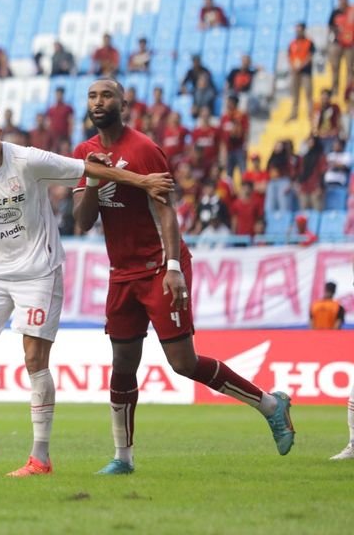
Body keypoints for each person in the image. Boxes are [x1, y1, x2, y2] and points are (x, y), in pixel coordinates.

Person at [0, 103, 171, 477]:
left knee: (35, 359)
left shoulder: (27, 160)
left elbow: (88, 169)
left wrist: (144, 181)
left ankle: (40, 458)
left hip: (39, 271)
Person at [71, 78, 295, 476]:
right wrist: (91, 178)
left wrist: (173, 267)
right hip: (122, 273)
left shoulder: (144, 149)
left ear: (123, 104)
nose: (98, 102)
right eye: (92, 96)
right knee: (122, 364)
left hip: (160, 266)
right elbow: (83, 221)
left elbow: (166, 212)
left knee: (182, 362)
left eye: (107, 95)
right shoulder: (83, 152)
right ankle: (123, 457)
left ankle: (271, 405)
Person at [286, 22, 316, 121]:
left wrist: (301, 66)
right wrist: (293, 67)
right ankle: (294, 114)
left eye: (299, 30)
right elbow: (289, 56)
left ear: (303, 30)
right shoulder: (292, 43)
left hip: (306, 71)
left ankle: (310, 113)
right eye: (296, 30)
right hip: (295, 71)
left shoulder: (309, 42)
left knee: (308, 92)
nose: (297, 32)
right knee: (295, 93)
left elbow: (310, 56)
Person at [219, 95, 249, 181]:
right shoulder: (224, 117)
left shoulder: (242, 116)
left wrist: (245, 147)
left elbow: (245, 132)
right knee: (229, 174)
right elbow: (222, 135)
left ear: (234, 103)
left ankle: (245, 187)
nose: (228, 104)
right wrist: (223, 151)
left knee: (243, 172)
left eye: (230, 102)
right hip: (228, 149)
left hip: (239, 148)